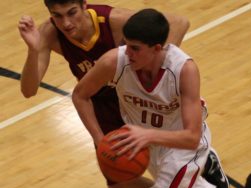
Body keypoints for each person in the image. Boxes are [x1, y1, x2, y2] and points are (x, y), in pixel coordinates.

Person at [72, 8, 229, 188]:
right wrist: (100, 139)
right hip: (148, 144)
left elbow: (192, 137)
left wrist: (147, 135)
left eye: (135, 48)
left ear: (156, 48)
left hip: (183, 146)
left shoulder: (184, 70)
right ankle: (210, 176)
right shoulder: (114, 61)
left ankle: (204, 161)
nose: (128, 53)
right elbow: (80, 95)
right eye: (126, 44)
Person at [18, 0, 189, 137]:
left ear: (84, 4)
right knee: (121, 179)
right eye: (57, 16)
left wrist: (155, 70)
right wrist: (33, 51)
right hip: (102, 104)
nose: (66, 23)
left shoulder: (113, 20)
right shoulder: (50, 33)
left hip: (135, 97)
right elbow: (28, 90)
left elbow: (178, 22)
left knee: (170, 163)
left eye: (72, 12)